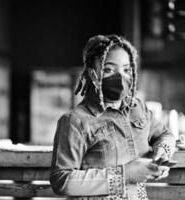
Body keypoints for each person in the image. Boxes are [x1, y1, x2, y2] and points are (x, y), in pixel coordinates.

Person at [49, 34, 176, 200]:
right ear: (93, 75)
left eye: (126, 70)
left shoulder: (138, 109)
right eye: (109, 69)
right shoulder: (75, 121)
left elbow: (164, 135)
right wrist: (124, 175)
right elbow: (61, 180)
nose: (120, 77)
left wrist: (162, 153)